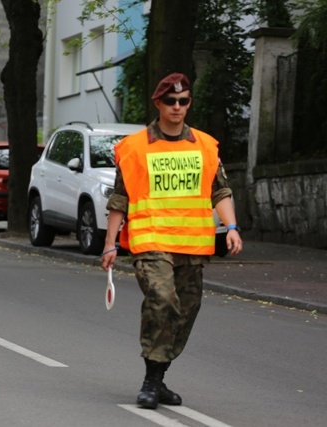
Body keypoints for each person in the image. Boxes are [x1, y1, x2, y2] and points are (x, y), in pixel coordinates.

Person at [101, 73, 243, 409]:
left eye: (184, 101)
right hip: (150, 241)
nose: (177, 107)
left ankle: (159, 376)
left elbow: (219, 190)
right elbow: (119, 199)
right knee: (163, 299)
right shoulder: (135, 148)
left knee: (184, 312)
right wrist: (110, 244)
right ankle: (151, 381)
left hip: (191, 245)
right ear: (158, 103)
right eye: (171, 101)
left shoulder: (205, 146)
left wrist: (232, 226)